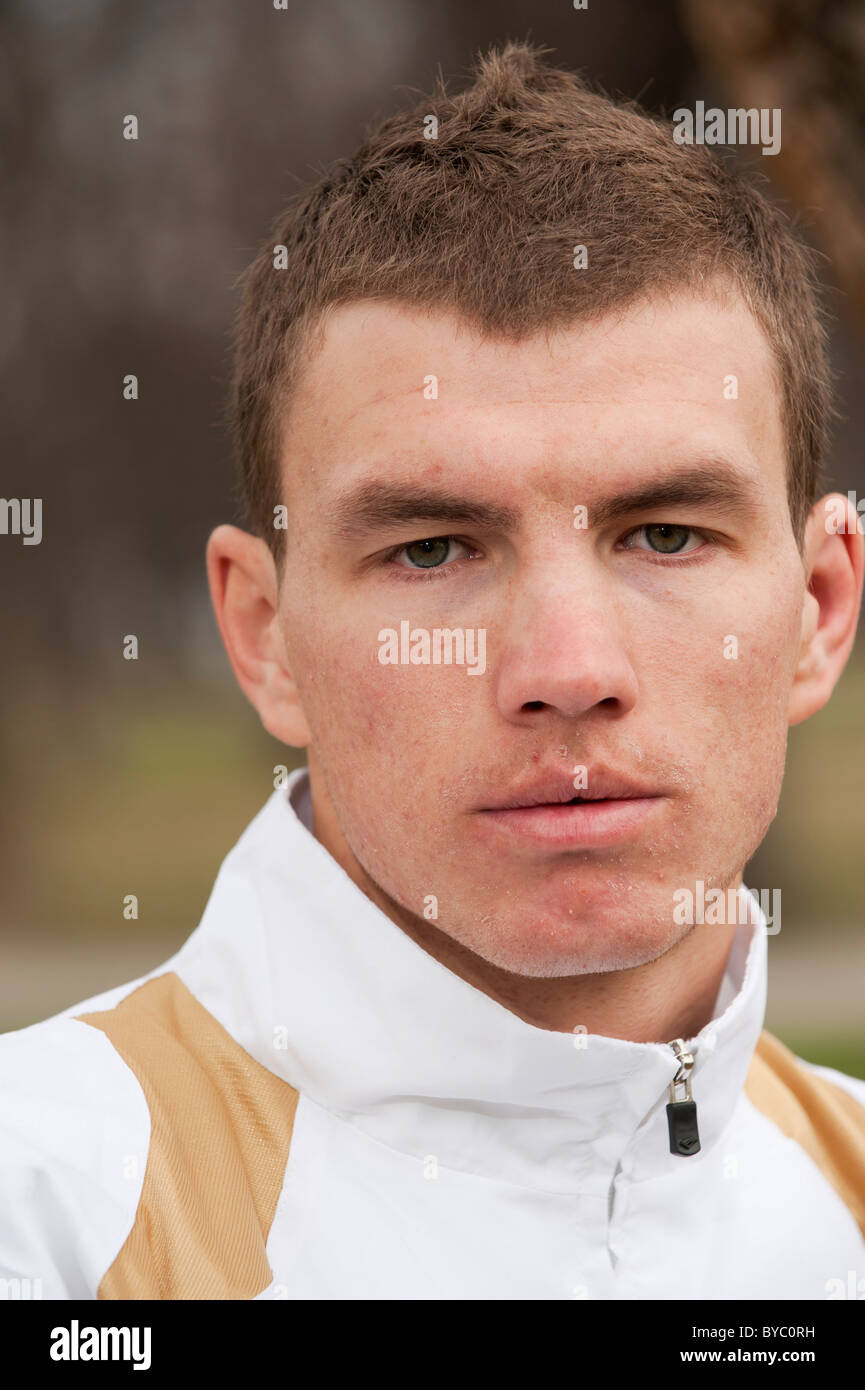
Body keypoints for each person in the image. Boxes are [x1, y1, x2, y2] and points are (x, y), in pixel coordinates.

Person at [2, 41, 864, 1302]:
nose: (567, 670)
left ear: (820, 605)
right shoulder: (47, 1214)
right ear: (263, 635)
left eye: (666, 534)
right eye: (431, 548)